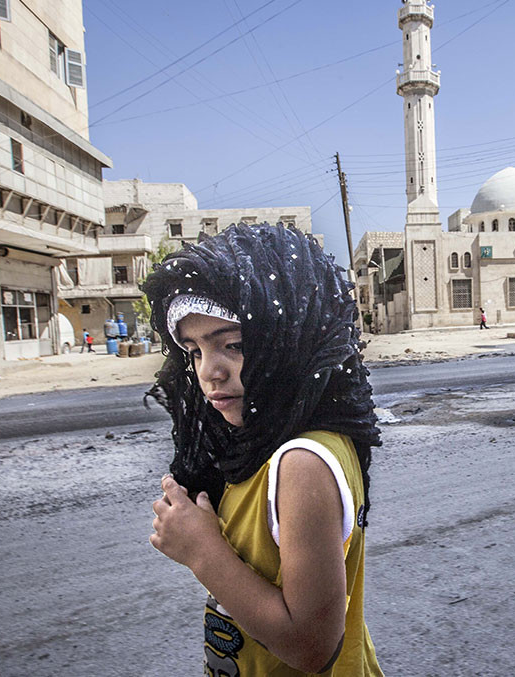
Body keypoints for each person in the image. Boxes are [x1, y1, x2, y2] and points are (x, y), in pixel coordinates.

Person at [142, 224, 382, 676]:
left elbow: (312, 647)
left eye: (232, 345)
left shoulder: (303, 464)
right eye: (193, 351)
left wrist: (201, 551)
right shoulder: (258, 441)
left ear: (290, 336)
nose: (209, 371)